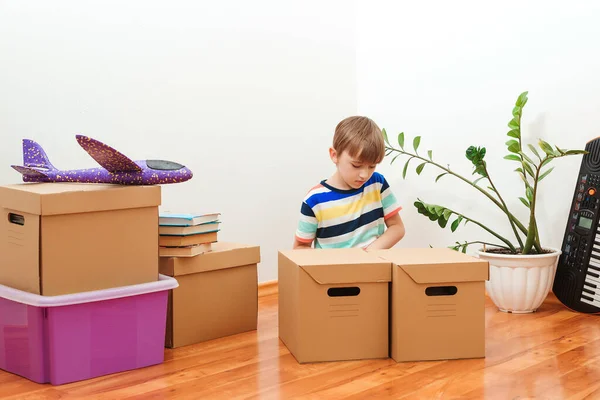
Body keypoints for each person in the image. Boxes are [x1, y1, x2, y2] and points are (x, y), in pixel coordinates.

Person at [293, 116, 405, 250]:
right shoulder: (314, 200)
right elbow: (300, 247)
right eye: (356, 165)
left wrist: (368, 253)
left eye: (372, 166)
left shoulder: (377, 184)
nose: (364, 175)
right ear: (334, 155)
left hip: (372, 267)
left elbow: (397, 227)